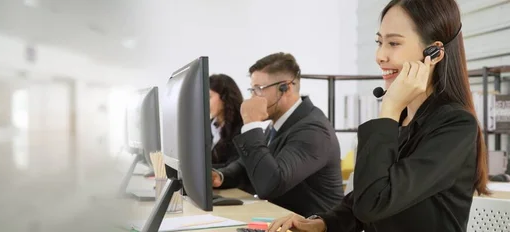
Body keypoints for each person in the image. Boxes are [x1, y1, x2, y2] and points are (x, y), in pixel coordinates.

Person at [267, 0, 490, 231]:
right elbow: (365, 195)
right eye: (379, 42)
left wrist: (390, 109)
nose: (380, 55)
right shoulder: (403, 117)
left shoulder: (455, 125)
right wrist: (322, 223)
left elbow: (373, 203)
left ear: (433, 53)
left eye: (393, 43)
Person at [212, 52, 344, 216]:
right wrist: (221, 176)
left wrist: (251, 125)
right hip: (282, 219)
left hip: (310, 225)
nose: (252, 97)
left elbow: (271, 185)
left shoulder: (312, 130)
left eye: (258, 89)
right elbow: (247, 165)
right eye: (252, 90)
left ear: (286, 88)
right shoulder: (279, 124)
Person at [209, 74, 244, 169]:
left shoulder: (242, 128)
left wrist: (200, 169)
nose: (205, 102)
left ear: (224, 97)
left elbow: (233, 167)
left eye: (209, 97)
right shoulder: (207, 126)